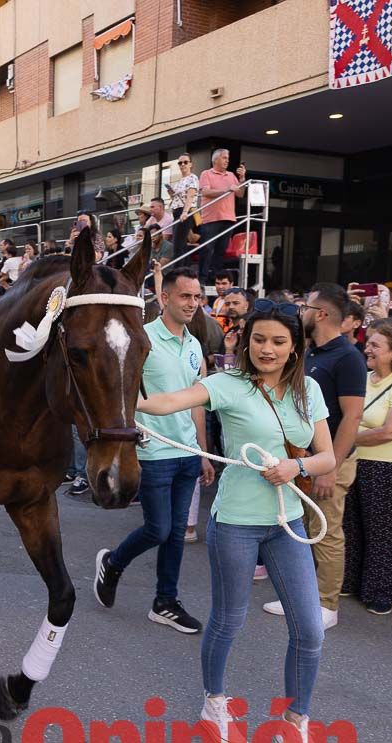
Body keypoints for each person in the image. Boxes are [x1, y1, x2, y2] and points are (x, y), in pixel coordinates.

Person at [135, 298, 339, 743]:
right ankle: (215, 705)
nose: (267, 349)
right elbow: (165, 403)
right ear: (246, 341)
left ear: (295, 347)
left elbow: (328, 455)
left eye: (278, 341)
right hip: (237, 521)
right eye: (259, 339)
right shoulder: (227, 384)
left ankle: (295, 726)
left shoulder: (308, 389)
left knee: (309, 630)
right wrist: (121, 394)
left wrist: (299, 466)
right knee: (229, 620)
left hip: (288, 521)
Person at [94, 267, 216, 634]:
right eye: (185, 296)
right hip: (151, 452)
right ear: (165, 297)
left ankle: (165, 601)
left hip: (186, 453)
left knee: (176, 533)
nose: (192, 303)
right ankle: (113, 562)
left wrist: (204, 452)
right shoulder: (141, 338)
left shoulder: (195, 345)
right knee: (159, 529)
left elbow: (197, 402)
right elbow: (123, 390)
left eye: (197, 297)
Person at [264, 283, 365, 631]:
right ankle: (301, 595)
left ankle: (327, 604)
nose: (300, 312)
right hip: (301, 458)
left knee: (327, 530)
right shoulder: (313, 352)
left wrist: (329, 467)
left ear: (320, 314)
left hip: (329, 461)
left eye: (305, 307)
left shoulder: (348, 356)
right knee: (300, 526)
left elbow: (352, 416)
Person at [342, 320, 392, 614]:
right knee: (350, 526)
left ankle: (382, 592)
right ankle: (349, 580)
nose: (368, 348)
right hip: (355, 461)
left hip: (387, 467)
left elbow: (390, 431)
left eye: (376, 345)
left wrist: (348, 435)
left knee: (384, 532)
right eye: (368, 343)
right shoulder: (363, 378)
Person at [196, 148, 246, 284]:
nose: (227, 161)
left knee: (220, 250)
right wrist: (226, 190)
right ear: (215, 159)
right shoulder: (206, 173)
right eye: (224, 158)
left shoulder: (231, 175)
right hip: (210, 218)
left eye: (228, 158)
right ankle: (202, 279)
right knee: (207, 249)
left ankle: (216, 279)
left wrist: (242, 179)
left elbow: (240, 193)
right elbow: (206, 192)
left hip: (228, 218)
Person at [167, 153, 200, 259]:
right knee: (179, 244)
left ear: (191, 164)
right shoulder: (180, 181)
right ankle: (182, 270)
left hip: (185, 211)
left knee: (178, 245)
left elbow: (190, 197)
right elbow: (177, 199)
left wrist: (185, 212)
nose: (182, 165)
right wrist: (172, 194)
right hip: (177, 211)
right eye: (180, 163)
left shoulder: (192, 178)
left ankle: (178, 272)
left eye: (185, 162)